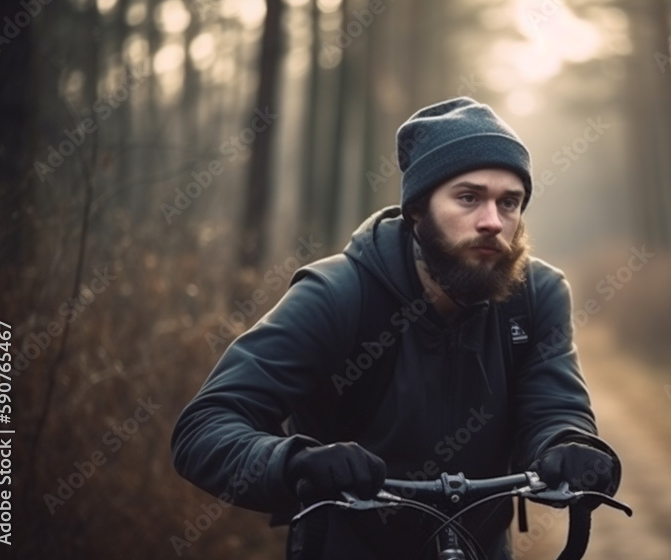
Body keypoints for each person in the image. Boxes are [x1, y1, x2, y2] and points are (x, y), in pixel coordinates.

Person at [171, 97, 622, 559]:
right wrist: (295, 463)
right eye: (468, 197)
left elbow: (553, 407)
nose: (492, 221)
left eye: (509, 203)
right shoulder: (337, 293)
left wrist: (568, 443)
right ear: (417, 210)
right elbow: (205, 427)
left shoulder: (535, 295)